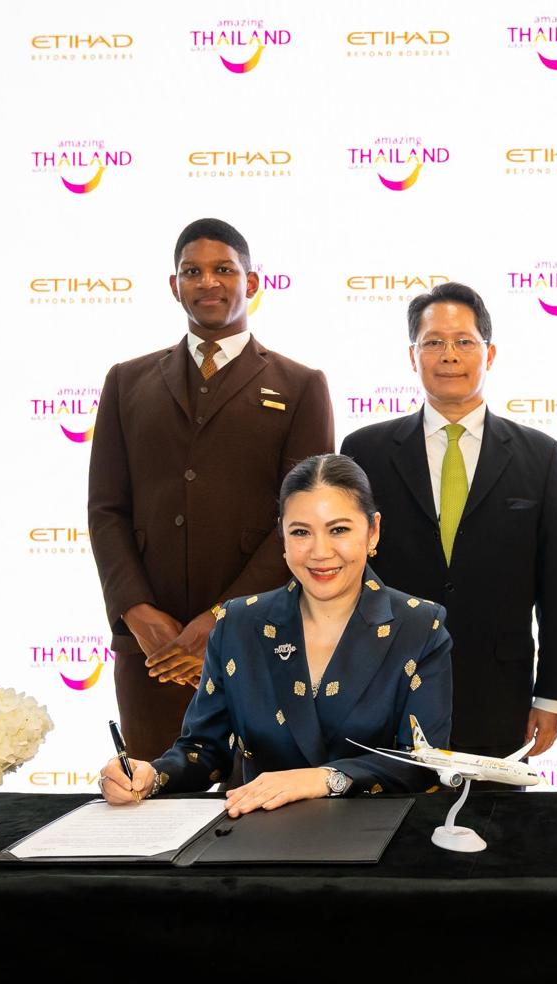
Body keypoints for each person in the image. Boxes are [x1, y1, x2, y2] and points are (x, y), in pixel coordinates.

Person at [88, 218, 334, 760]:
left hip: (262, 638)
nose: (207, 282)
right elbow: (106, 509)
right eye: (191, 272)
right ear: (173, 286)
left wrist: (224, 618)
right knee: (154, 792)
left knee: (265, 799)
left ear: (252, 282)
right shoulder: (126, 381)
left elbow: (303, 520)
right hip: (154, 649)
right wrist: (135, 611)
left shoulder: (300, 385)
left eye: (223, 269)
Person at [99, 454, 453, 813]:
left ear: (372, 530)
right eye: (301, 532)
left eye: (339, 530)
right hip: (258, 835)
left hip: (376, 837)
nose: (320, 552)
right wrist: (152, 775)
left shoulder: (420, 626)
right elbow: (203, 751)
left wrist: (325, 779)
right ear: (281, 535)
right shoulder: (238, 622)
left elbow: (422, 763)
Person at [340, 282, 557, 761]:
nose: (449, 354)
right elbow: (344, 574)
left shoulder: (539, 455)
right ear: (413, 356)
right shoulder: (364, 451)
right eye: (433, 342)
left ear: (489, 353)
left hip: (498, 696)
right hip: (384, 686)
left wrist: (552, 696)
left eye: (464, 341)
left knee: (492, 810)